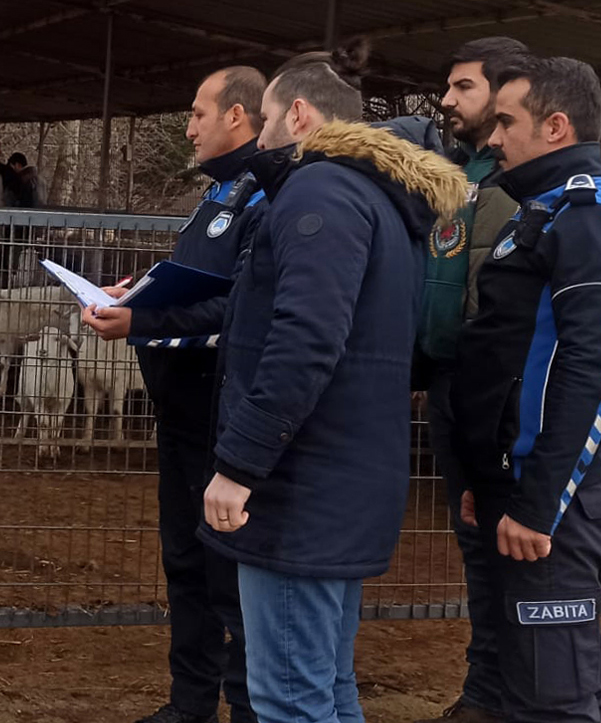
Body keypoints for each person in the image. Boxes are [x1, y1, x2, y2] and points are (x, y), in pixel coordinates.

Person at [201, 45, 465, 723]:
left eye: (263, 120)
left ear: (298, 113)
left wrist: (239, 462)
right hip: (346, 479)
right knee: (327, 687)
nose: (258, 137)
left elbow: (307, 339)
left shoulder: (320, 191)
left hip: (300, 492)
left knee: (291, 698)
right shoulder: (381, 201)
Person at [450, 56, 601, 723]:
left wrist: (539, 504)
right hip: (522, 488)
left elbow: (595, 370)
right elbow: (512, 356)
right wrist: (489, 474)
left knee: (552, 702)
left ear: (556, 125)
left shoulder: (589, 219)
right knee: (554, 683)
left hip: (556, 506)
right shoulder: (545, 211)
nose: (494, 136)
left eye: (507, 121)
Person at [82, 66, 269, 723]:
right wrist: (136, 295)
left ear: (237, 116)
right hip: (182, 415)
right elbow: (195, 283)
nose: (188, 127)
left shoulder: (264, 197)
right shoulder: (218, 194)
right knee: (185, 562)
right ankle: (189, 705)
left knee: (228, 577)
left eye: (197, 113)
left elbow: (239, 309)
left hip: (222, 417)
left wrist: (145, 320)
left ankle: (245, 707)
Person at [391, 36, 530, 723]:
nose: (446, 101)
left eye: (463, 87)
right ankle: (485, 690)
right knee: (476, 546)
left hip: (495, 395)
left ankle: (515, 691)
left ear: (507, 93)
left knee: (510, 546)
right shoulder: (462, 176)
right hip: (448, 386)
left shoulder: (520, 186)